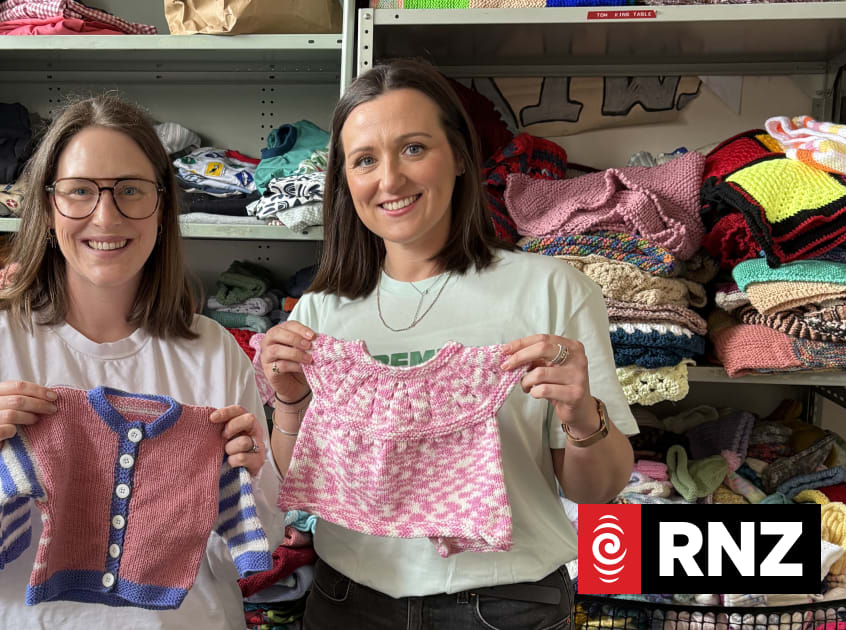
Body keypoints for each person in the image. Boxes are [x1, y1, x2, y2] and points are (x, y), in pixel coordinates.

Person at [258, 59, 638, 629]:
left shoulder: (552, 291)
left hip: (505, 605)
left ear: (459, 155)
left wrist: (583, 415)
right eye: (364, 160)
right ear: (346, 180)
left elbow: (595, 492)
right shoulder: (321, 311)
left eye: (413, 148)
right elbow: (307, 478)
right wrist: (291, 404)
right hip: (347, 601)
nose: (390, 180)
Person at [0, 94, 282, 629]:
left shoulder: (213, 351)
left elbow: (244, 558)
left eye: (131, 190)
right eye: (79, 191)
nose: (106, 215)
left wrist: (247, 479)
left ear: (162, 206)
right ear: (48, 207)